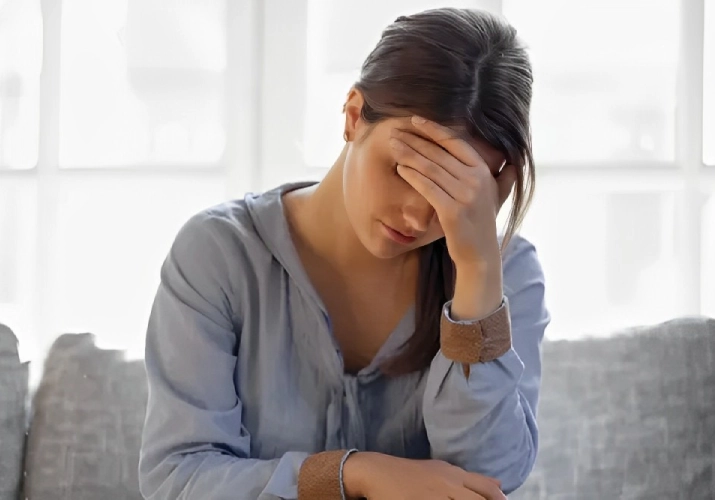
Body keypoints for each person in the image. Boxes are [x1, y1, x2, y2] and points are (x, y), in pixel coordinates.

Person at [138, 7, 550, 500]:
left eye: (451, 192)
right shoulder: (219, 255)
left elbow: (489, 480)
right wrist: (356, 474)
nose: (419, 218)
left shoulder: (507, 275)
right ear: (354, 116)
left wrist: (479, 275)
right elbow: (177, 476)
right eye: (403, 170)